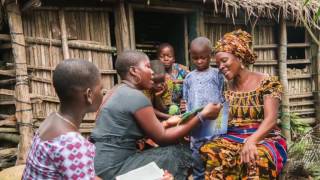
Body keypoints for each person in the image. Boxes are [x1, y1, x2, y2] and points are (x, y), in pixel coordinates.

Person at [90, 50, 222, 180]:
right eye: (147, 67)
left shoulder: (115, 91)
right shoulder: (135, 96)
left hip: (99, 166)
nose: (152, 72)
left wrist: (166, 123)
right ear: (133, 71)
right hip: (114, 169)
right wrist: (202, 116)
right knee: (180, 153)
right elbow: (163, 138)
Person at [200, 29, 287, 179]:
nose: (220, 67)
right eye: (218, 63)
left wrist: (252, 141)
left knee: (256, 157)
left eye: (224, 60)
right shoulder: (227, 89)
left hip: (263, 137)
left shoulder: (267, 82)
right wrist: (196, 123)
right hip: (234, 137)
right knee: (211, 150)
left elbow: (271, 119)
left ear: (239, 58)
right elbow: (224, 122)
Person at [22, 59, 103, 180]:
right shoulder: (73, 144)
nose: (103, 94)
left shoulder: (51, 119)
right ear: (89, 95)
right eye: (101, 89)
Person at [183, 37, 225, 180]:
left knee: (215, 156)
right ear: (191, 56)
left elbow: (223, 96)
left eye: (203, 58)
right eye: (195, 58)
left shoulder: (217, 74)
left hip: (215, 126)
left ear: (210, 56)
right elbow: (187, 102)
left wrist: (221, 121)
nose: (199, 61)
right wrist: (187, 124)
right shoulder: (189, 78)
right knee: (197, 157)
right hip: (196, 127)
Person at [158, 43, 189, 114]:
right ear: (157, 58)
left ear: (174, 59)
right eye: (162, 56)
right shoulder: (155, 72)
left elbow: (194, 80)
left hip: (182, 106)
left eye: (169, 56)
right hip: (163, 108)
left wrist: (179, 81)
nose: (166, 59)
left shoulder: (181, 69)